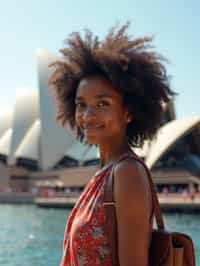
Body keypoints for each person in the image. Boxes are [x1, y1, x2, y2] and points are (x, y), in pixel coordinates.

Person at [49, 22, 175, 266]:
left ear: (128, 111)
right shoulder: (105, 173)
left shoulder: (127, 173)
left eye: (102, 104)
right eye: (81, 104)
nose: (87, 115)